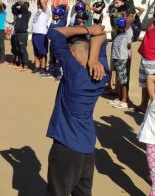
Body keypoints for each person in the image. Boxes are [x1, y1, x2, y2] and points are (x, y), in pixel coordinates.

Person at [46, 24, 109, 196]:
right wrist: (93, 58)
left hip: (66, 146)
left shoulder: (74, 72)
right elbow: (102, 35)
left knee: (58, 191)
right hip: (87, 147)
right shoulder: (102, 72)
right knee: (82, 192)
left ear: (72, 54)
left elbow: (55, 33)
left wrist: (88, 30)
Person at [109, 17, 133, 109]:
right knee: (120, 79)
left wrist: (126, 23)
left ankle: (124, 100)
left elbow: (129, 24)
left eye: (120, 25)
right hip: (117, 59)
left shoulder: (128, 33)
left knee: (123, 81)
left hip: (122, 59)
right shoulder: (118, 34)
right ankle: (120, 97)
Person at [47, 6, 69, 80]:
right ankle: (51, 71)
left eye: (57, 15)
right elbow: (50, 29)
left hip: (59, 42)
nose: (55, 16)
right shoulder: (53, 21)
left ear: (60, 15)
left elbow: (66, 11)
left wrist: (64, 7)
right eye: (54, 14)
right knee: (52, 57)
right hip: (52, 42)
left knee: (58, 58)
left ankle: (60, 74)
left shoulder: (63, 21)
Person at [31, 0, 51, 75]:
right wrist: (38, 0)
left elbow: (43, 2)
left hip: (42, 34)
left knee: (43, 52)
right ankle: (37, 67)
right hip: (35, 33)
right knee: (36, 52)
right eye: (38, 3)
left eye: (40, 3)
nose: (39, 4)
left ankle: (43, 68)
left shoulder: (47, 11)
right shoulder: (38, 11)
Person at [12, 1, 31, 71]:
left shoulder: (28, 13)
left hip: (23, 33)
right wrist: (16, 3)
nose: (22, 6)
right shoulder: (18, 12)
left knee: (23, 50)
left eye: (24, 5)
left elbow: (24, 9)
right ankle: (20, 63)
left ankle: (25, 65)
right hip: (17, 33)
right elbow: (12, 8)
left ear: (27, 7)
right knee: (18, 49)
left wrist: (22, 5)